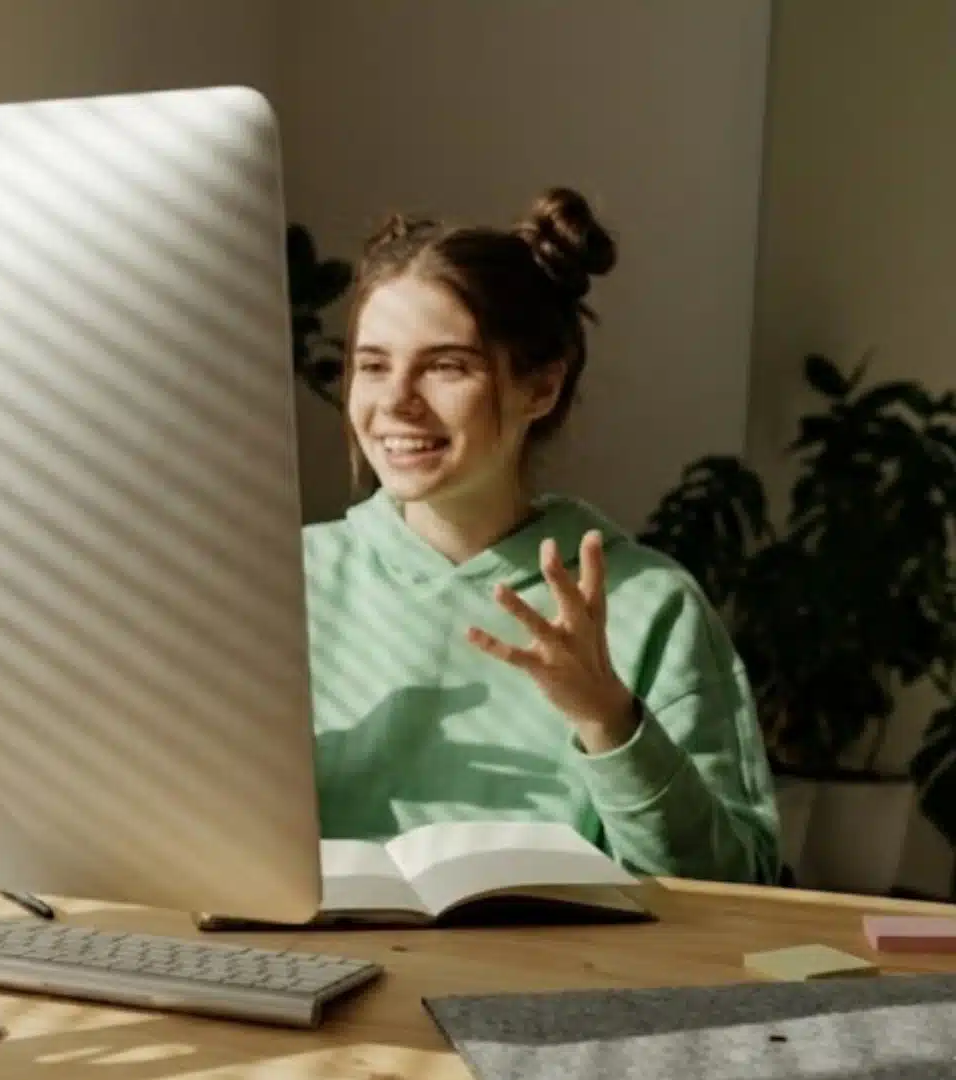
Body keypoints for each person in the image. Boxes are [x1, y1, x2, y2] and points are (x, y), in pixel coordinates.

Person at [303, 187, 782, 885]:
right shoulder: (290, 579)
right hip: (307, 981)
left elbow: (738, 889)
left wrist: (610, 721)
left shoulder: (649, 606)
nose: (396, 401)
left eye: (446, 366)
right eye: (373, 364)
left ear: (542, 387)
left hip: (557, 993)